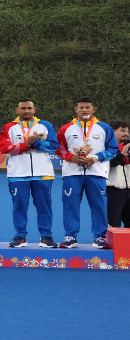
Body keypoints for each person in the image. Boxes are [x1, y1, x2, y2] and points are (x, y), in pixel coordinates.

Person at [56, 97, 119, 249]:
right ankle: (70, 236)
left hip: (96, 173)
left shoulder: (104, 128)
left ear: (94, 109)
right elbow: (59, 149)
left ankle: (100, 237)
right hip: (72, 173)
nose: (84, 110)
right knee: (70, 205)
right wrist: (72, 157)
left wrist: (96, 158)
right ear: (76, 109)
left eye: (88, 107)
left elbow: (113, 149)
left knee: (99, 205)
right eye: (81, 107)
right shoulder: (66, 128)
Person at [0, 99, 59, 248]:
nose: (27, 111)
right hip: (18, 174)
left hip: (43, 173)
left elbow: (53, 145)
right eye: (23, 108)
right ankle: (20, 236)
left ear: (35, 109)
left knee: (44, 206)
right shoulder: (8, 127)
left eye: (29, 108)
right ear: (16, 110)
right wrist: (25, 145)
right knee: (19, 206)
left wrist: (36, 142)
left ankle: (46, 237)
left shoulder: (45, 126)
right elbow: (4, 148)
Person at [107, 120, 130, 228]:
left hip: (129, 188)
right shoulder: (107, 147)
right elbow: (109, 164)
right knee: (113, 221)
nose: (126, 133)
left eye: (127, 131)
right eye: (122, 130)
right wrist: (122, 154)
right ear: (113, 131)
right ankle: (112, 244)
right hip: (114, 189)